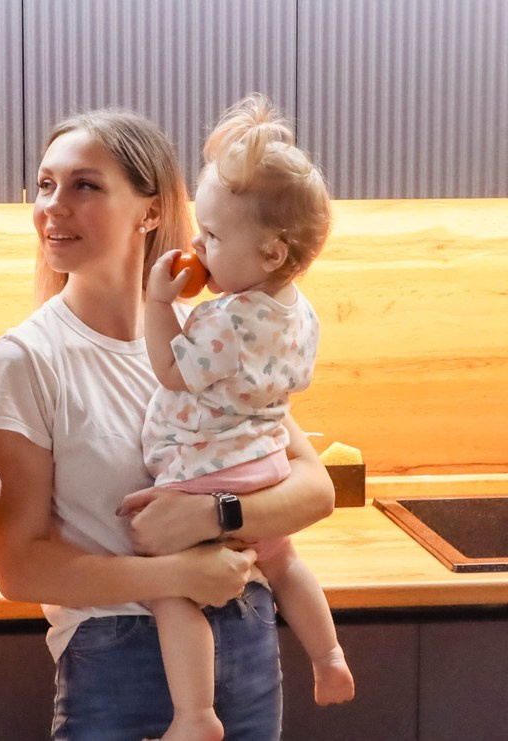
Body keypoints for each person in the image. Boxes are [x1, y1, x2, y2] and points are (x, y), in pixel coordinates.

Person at [0, 108, 336, 740]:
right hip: (117, 656)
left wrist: (214, 515)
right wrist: (175, 574)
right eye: (46, 184)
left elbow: (314, 488)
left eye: (85, 185)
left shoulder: (208, 334)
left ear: (150, 211)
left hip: (247, 635)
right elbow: (19, 568)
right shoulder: (26, 359)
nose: (54, 206)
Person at [140, 94, 355, 739]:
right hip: (264, 464)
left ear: (268, 254)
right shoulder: (299, 310)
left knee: (169, 587)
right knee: (283, 564)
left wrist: (158, 303)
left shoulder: (226, 320)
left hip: (205, 471)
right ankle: (329, 656)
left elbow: (171, 372)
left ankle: (196, 714)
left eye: (211, 236)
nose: (198, 248)